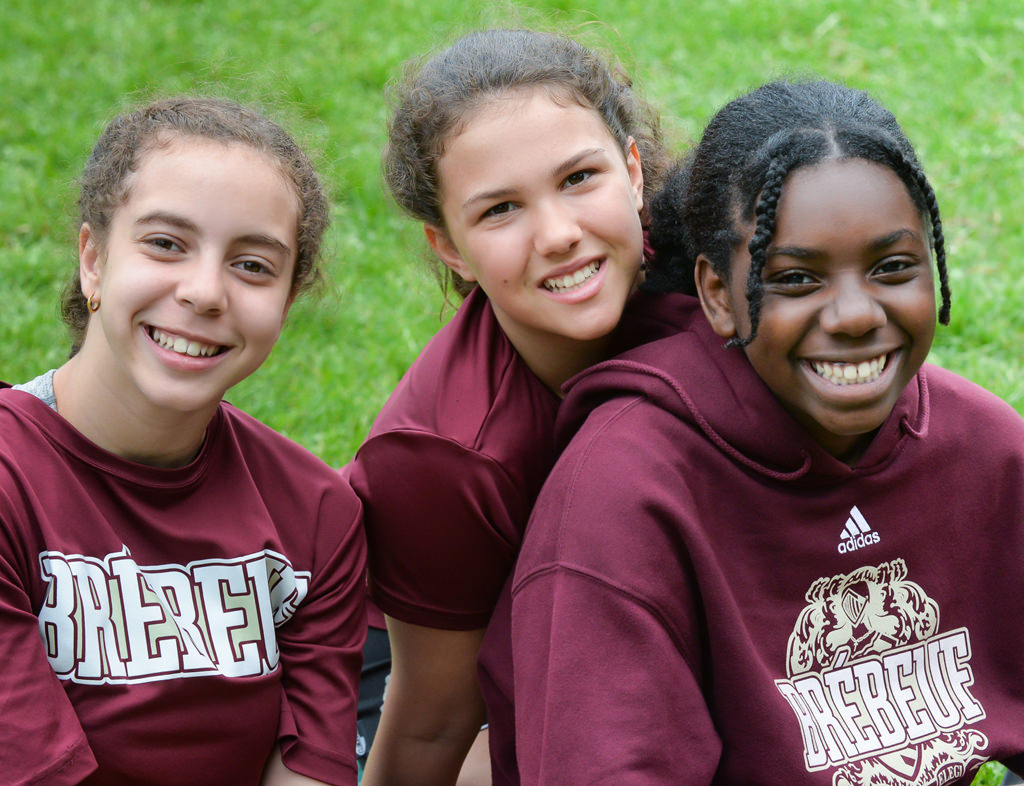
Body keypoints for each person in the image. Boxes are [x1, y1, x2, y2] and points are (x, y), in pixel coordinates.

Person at [510, 79, 1024, 785]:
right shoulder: (623, 490)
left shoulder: (985, 446)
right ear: (719, 295)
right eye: (796, 279)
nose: (852, 315)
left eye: (893, 268)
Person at [345, 27, 683, 786]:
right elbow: (431, 726)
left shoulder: (718, 283)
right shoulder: (442, 454)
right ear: (451, 248)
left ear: (633, 171)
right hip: (440, 659)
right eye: (500, 210)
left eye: (578, 179)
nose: (559, 235)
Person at [0, 97, 367, 785]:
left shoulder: (316, 514)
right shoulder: (10, 474)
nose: (204, 292)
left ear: (286, 304)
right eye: (166, 244)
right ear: (93, 261)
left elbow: (308, 771)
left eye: (253, 266)